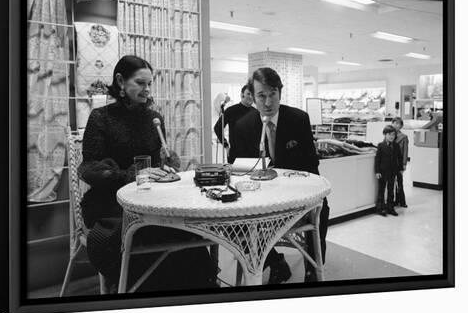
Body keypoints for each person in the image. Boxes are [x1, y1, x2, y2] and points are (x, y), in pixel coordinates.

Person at [78, 55, 217, 293]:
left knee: (186, 228)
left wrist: (167, 161)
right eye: (141, 83)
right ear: (121, 81)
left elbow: (155, 163)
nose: (147, 89)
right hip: (110, 203)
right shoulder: (101, 118)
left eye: (149, 84)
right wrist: (131, 175)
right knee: (136, 234)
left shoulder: (154, 118)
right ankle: (144, 292)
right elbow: (89, 169)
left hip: (149, 200)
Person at [233, 67, 330, 283]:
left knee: (322, 212)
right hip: (259, 200)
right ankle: (276, 262)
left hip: (296, 197)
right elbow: (237, 170)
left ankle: (312, 271)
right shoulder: (242, 126)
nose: (267, 103)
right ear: (252, 96)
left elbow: (311, 165)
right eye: (261, 96)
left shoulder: (298, 119)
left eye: (272, 94)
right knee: (233, 226)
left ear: (280, 92)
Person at [213, 85, 256, 163]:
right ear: (242, 95)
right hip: (235, 155)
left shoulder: (256, 113)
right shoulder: (231, 110)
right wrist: (226, 145)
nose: (251, 97)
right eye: (248, 94)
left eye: (253, 94)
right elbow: (217, 128)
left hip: (253, 156)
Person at [374, 125, 402, 217]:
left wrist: (400, 169)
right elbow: (377, 160)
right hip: (382, 172)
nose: (391, 136)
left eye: (393, 135)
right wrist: (377, 171)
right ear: (385, 135)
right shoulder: (381, 146)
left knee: (391, 190)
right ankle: (380, 208)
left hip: (393, 172)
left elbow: (399, 158)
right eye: (389, 134)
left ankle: (390, 208)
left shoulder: (396, 146)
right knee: (381, 190)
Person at [392, 117, 408, 208]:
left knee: (399, 182)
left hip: (399, 162)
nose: (396, 125)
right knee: (391, 182)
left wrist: (404, 163)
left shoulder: (404, 137)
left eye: (398, 124)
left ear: (401, 126)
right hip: (390, 162)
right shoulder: (389, 134)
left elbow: (405, 151)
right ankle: (394, 200)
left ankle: (402, 201)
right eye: (395, 123)